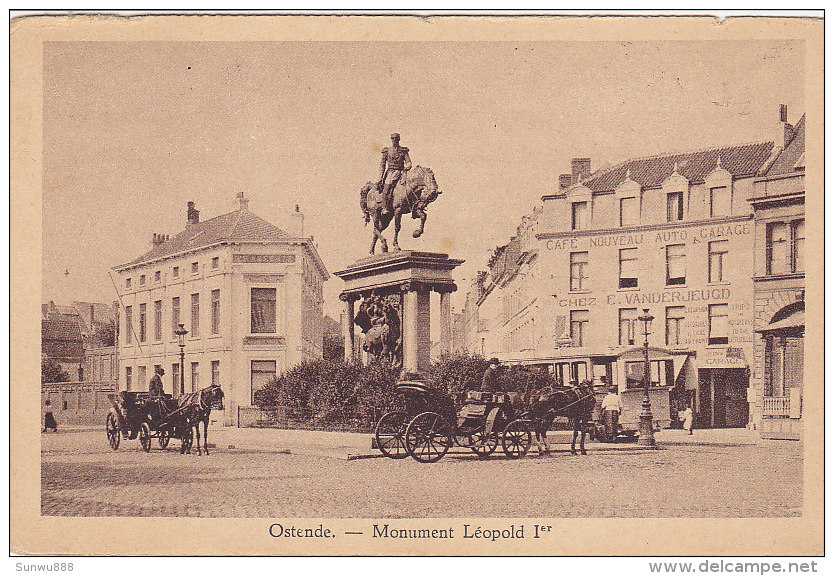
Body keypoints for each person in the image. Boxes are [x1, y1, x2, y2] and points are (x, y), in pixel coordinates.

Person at [378, 133, 412, 215]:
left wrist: (408, 166)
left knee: (411, 186)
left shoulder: (403, 151)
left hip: (402, 172)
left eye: (396, 138)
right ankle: (384, 207)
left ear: (399, 139)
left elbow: (408, 161)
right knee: (387, 187)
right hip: (391, 172)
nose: (394, 140)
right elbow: (382, 165)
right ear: (391, 139)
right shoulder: (387, 151)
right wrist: (380, 177)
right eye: (393, 138)